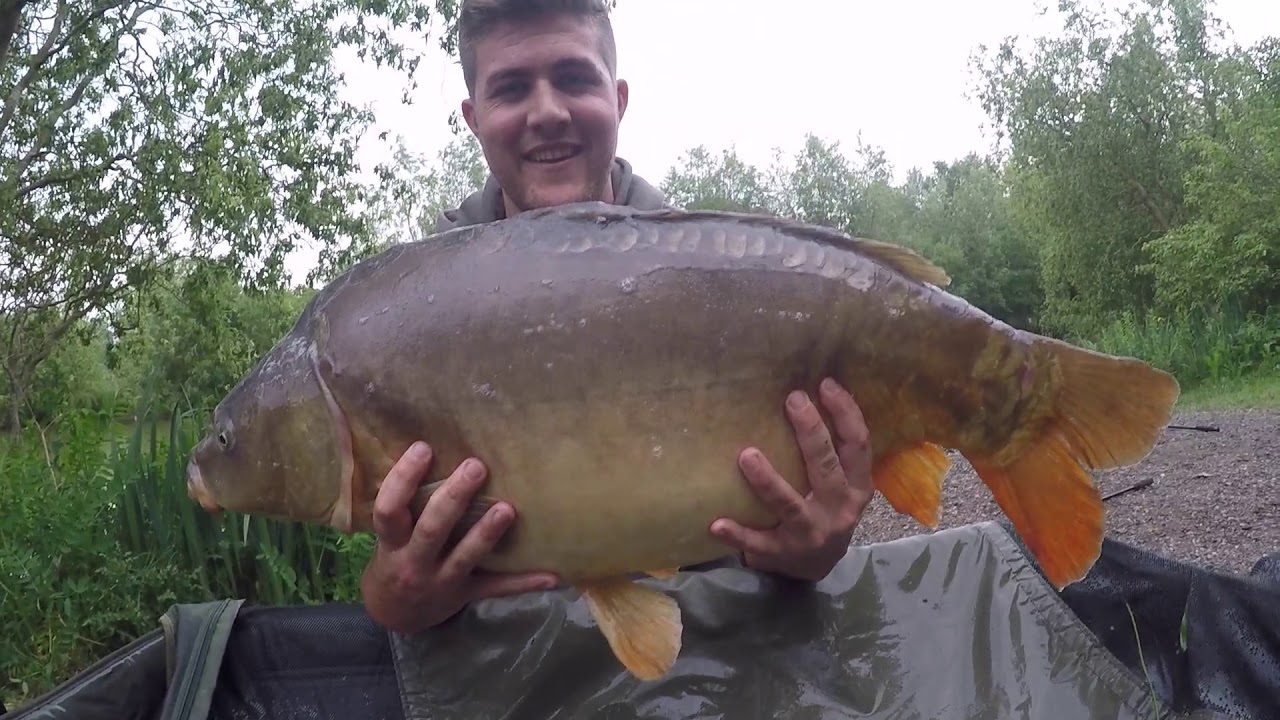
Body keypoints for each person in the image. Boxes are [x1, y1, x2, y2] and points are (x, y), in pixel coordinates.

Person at [360, 0, 876, 636]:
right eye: (512, 88)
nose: (547, 112)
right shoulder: (413, 318)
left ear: (619, 97)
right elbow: (389, 573)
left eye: (575, 78)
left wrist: (812, 552)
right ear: (473, 117)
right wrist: (394, 596)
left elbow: (794, 557)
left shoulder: (720, 286)